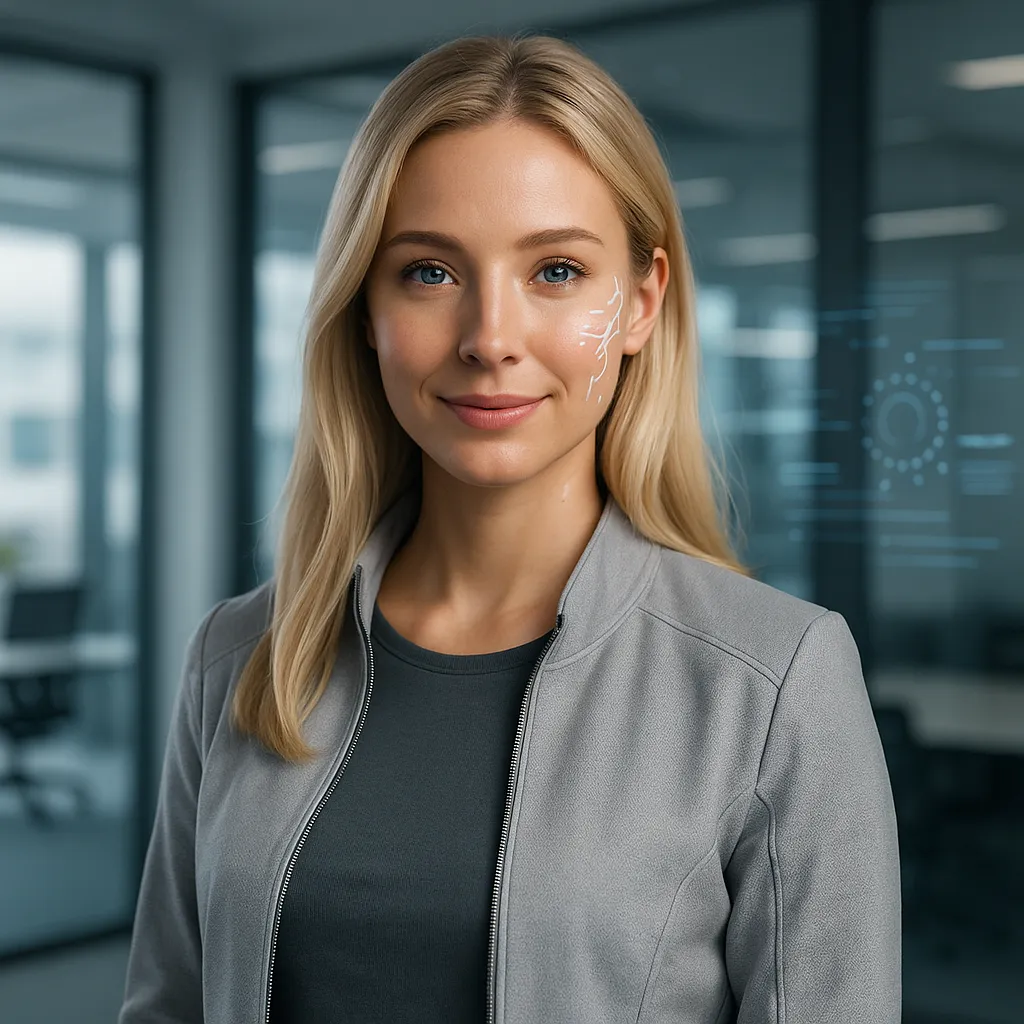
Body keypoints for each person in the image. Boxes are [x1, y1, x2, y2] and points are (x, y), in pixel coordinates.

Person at [119, 32, 901, 1024]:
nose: (491, 338)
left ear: (641, 303)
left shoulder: (774, 683)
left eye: (558, 272)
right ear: (366, 308)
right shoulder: (238, 657)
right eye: (429, 273)